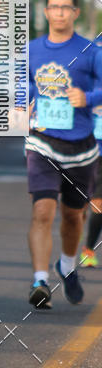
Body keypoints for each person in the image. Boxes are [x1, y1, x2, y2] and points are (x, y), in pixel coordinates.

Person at [26, 0, 102, 309]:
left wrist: (88, 98)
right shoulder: (30, 50)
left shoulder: (91, 51)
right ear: (46, 12)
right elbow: (20, 83)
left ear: (75, 13)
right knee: (43, 210)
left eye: (65, 7)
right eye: (54, 7)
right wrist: (25, 99)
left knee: (73, 216)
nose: (59, 12)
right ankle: (40, 281)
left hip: (81, 146)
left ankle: (67, 267)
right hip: (41, 140)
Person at [80, 103, 102, 267]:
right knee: (95, 206)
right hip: (92, 151)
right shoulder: (88, 80)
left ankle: (88, 249)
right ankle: (87, 248)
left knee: (98, 204)